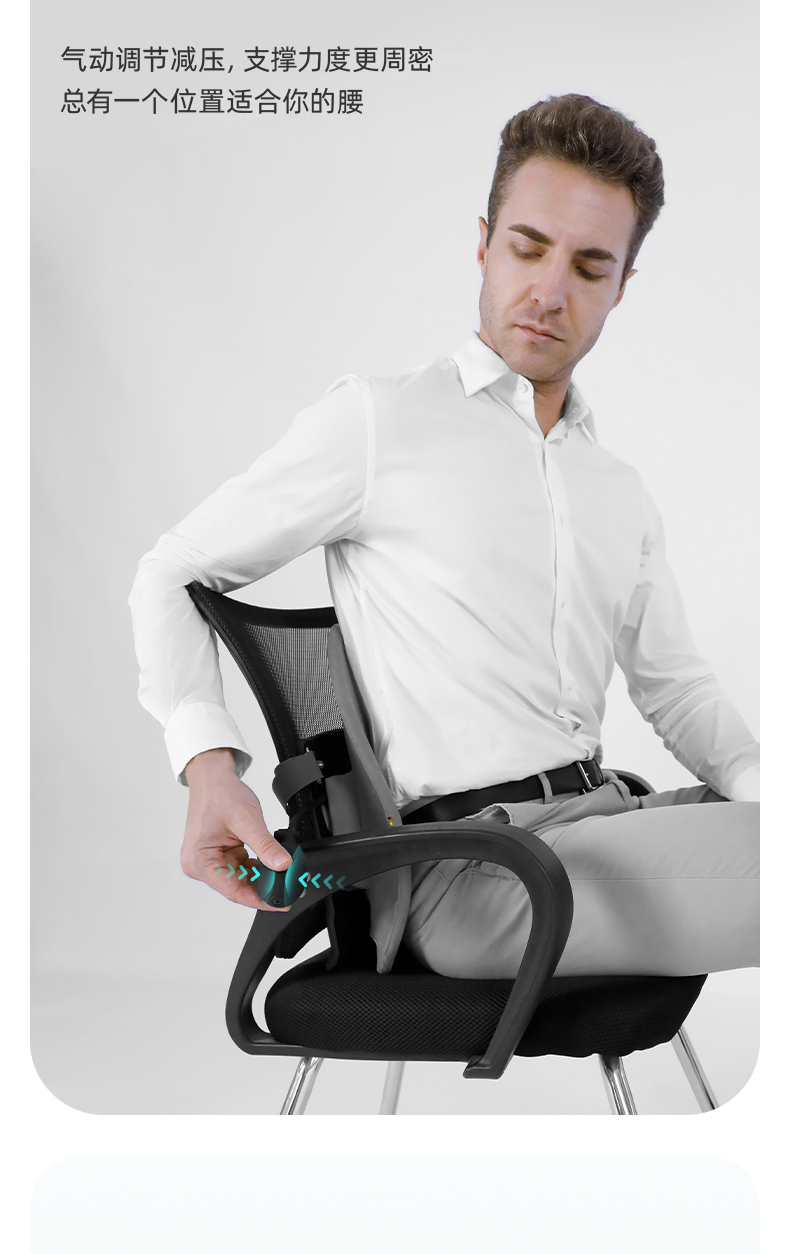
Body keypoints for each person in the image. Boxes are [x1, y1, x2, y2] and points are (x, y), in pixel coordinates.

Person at [129, 94, 758, 980]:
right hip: (477, 870)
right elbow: (172, 571)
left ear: (621, 287)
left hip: (604, 820)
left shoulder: (616, 488)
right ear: (484, 243)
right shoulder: (380, 424)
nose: (549, 292)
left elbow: (677, 687)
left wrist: (762, 792)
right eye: (528, 248)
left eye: (589, 267)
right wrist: (208, 768)